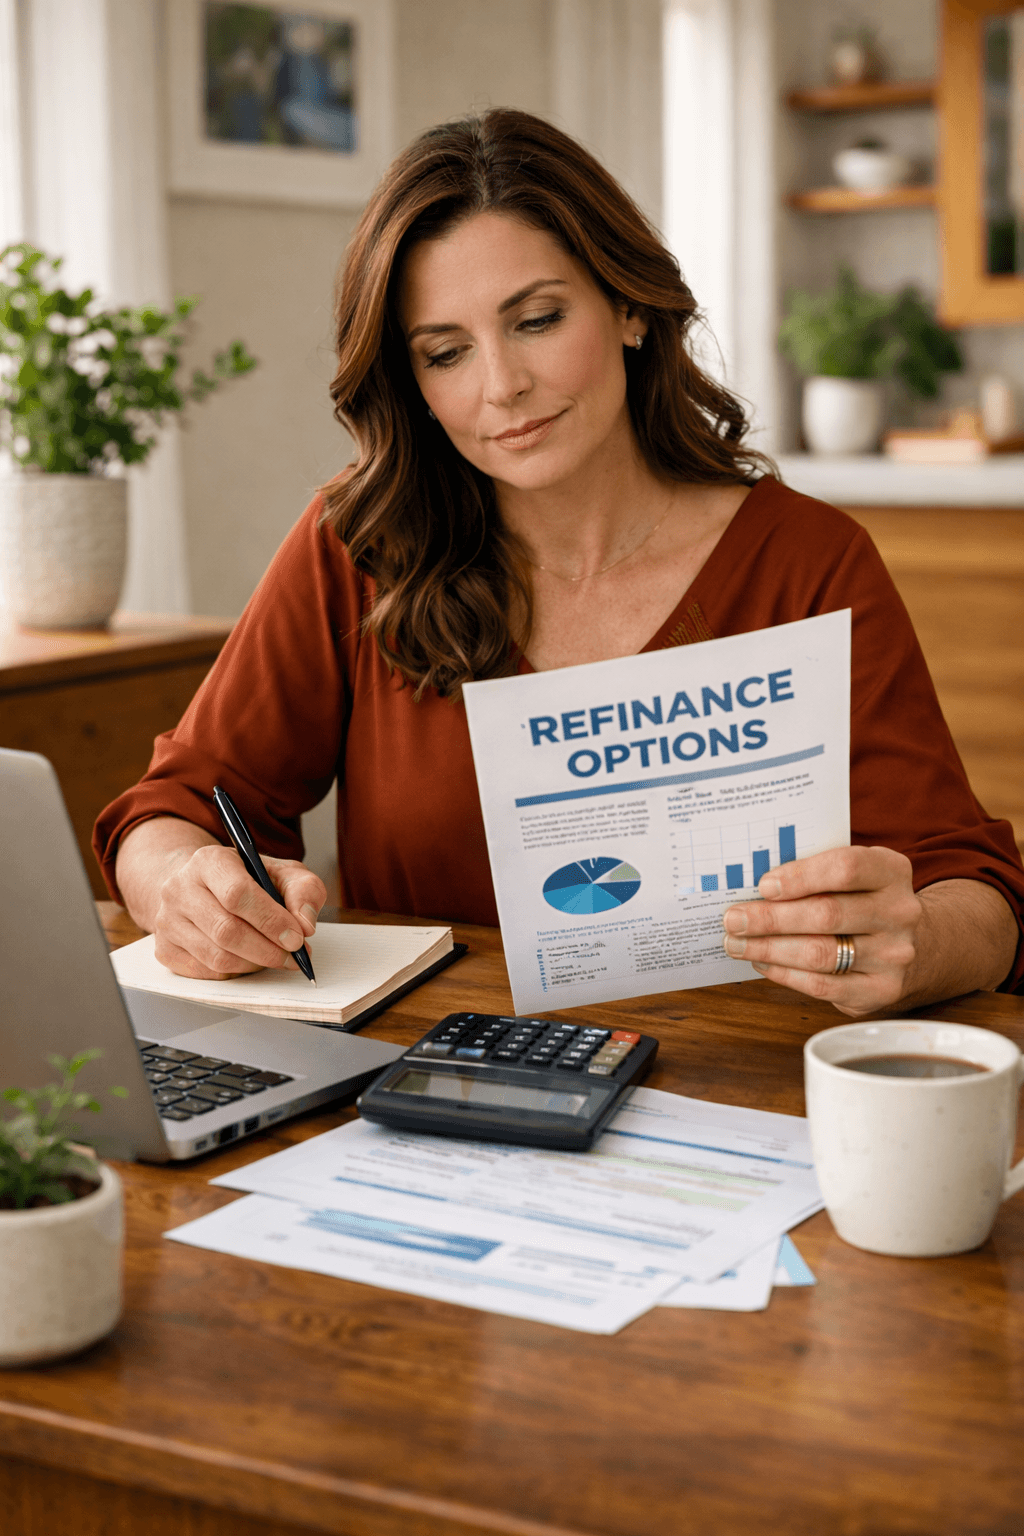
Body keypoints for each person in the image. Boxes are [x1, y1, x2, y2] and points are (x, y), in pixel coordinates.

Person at [95, 108, 1024, 1017]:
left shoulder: (808, 561)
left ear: (629, 306)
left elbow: (977, 894)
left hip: (739, 1084)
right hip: (426, 1083)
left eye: (537, 320)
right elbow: (172, 808)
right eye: (446, 353)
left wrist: (914, 947)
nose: (501, 386)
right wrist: (184, 884)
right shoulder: (364, 545)